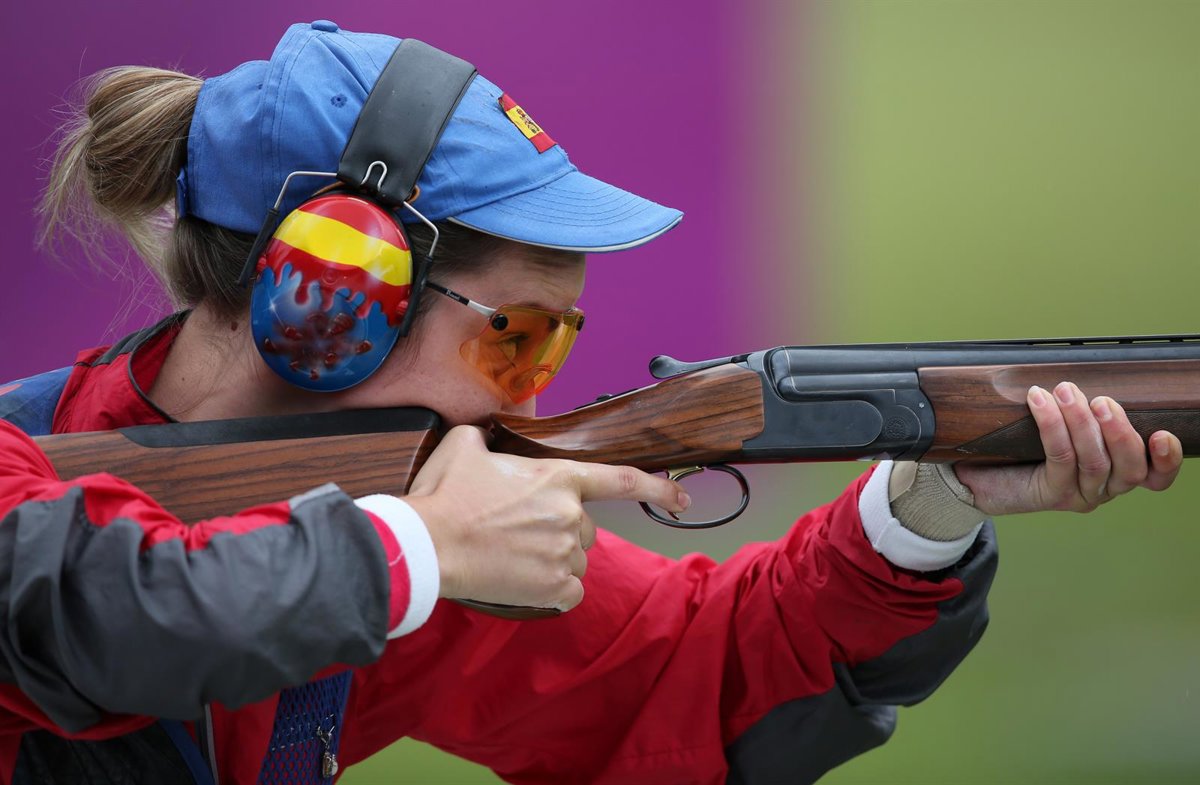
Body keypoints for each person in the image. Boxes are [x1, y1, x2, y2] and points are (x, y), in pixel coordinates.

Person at [0, 20, 1182, 785]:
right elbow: (88, 607)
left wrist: (927, 497)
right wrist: (417, 549)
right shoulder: (394, 539)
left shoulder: (396, 528)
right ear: (331, 297)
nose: (536, 389)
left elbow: (699, 678)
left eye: (554, 343)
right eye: (514, 338)